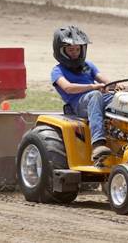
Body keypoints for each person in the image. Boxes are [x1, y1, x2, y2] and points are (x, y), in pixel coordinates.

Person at [50, 25, 113, 162]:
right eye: (71, 49)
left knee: (120, 99)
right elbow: (68, 88)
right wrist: (93, 86)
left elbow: (104, 79)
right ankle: (98, 144)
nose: (75, 52)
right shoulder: (57, 71)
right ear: (61, 51)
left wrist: (117, 86)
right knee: (95, 95)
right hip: (78, 105)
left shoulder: (87, 65)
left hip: (95, 98)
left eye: (77, 49)